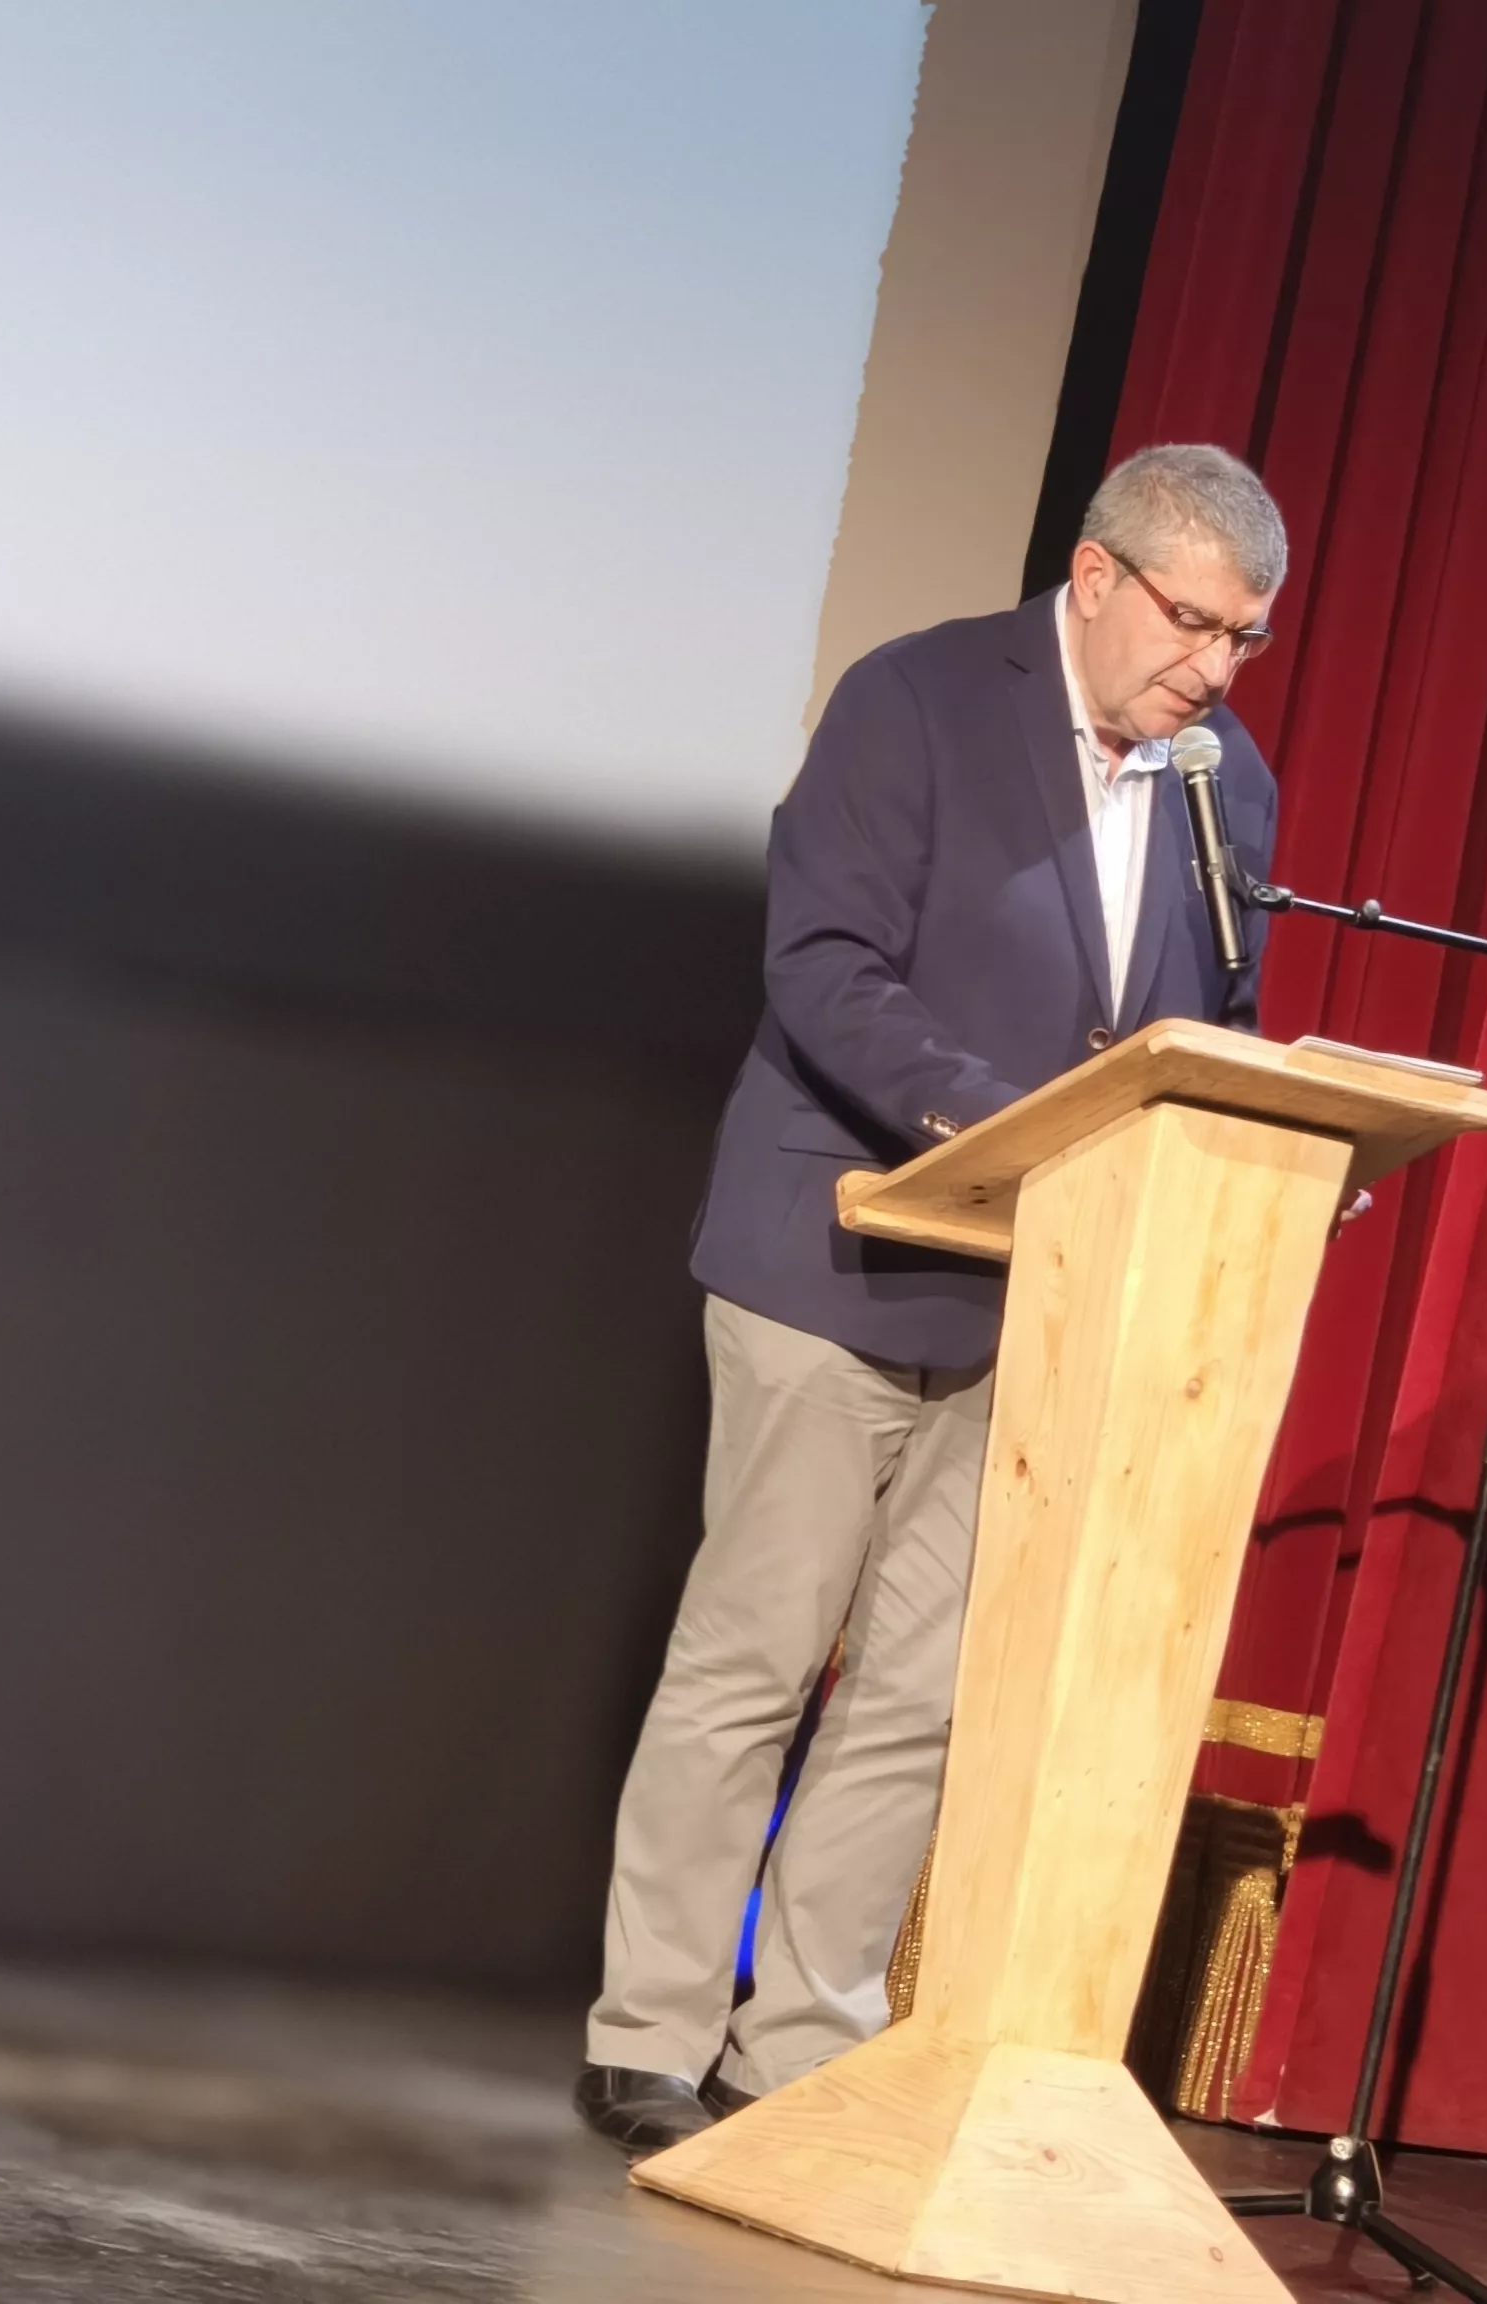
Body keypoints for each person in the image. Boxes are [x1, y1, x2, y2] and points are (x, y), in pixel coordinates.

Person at [575, 444, 1290, 2153]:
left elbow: (1207, 1018)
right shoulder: (916, 699)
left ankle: (796, 2044)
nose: (1213, 668)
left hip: (1030, 1292)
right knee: (756, 1653)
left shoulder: (1220, 781)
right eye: (1192, 623)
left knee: (916, 1689)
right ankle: (651, 2028)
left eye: (1248, 640)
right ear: (1098, 577)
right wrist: (994, 1123)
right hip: (831, 1249)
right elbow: (823, 963)